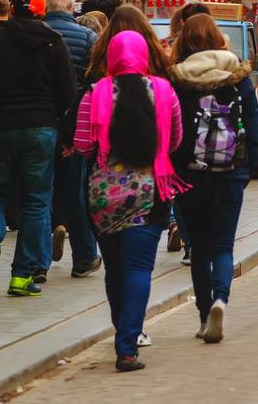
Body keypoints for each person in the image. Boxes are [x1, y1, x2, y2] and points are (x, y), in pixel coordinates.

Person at [74, 29, 186, 372]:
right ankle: (127, 345)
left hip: (103, 195)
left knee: (115, 269)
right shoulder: (165, 92)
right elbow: (177, 139)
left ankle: (121, 326)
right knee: (139, 268)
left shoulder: (95, 93)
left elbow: (81, 145)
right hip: (149, 192)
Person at [169, 15, 258, 344]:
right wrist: (249, 170)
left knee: (201, 249)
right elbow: (254, 127)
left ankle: (204, 313)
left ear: (183, 40)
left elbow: (173, 132)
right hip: (231, 171)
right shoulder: (238, 77)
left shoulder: (178, 79)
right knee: (223, 246)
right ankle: (221, 298)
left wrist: (175, 174)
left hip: (190, 175)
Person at [0, 0, 77, 297]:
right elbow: (67, 94)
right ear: (40, 13)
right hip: (41, 128)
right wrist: (68, 136)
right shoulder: (53, 42)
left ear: (11, 10)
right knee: (36, 199)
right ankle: (23, 275)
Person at [45, 0, 98, 280]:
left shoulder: (39, 35)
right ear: (71, 7)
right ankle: (85, 255)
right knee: (75, 190)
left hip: (42, 118)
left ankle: (38, 259)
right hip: (77, 121)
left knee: (39, 192)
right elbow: (92, 80)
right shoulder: (87, 37)